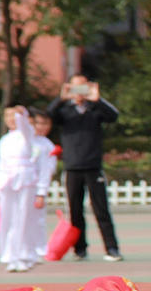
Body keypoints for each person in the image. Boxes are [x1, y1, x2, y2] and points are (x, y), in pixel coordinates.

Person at [47, 75, 122, 261]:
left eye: (82, 88)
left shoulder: (95, 110)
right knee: (75, 210)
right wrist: (61, 98)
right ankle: (79, 248)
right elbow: (48, 115)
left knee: (101, 209)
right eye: (75, 88)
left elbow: (114, 116)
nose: (79, 92)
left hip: (93, 167)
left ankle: (111, 248)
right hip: (72, 167)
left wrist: (98, 99)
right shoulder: (64, 112)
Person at [0, 105, 38, 272]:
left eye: (14, 116)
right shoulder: (3, 140)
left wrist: (23, 115)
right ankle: (9, 255)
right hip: (7, 180)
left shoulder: (27, 135)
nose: (11, 119)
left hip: (24, 179)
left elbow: (25, 128)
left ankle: (22, 255)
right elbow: (1, 163)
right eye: (8, 116)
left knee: (23, 218)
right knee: (7, 219)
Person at [29, 108, 59, 262]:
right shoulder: (24, 140)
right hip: (21, 186)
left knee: (38, 220)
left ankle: (40, 249)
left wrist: (41, 192)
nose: (42, 127)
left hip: (36, 188)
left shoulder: (47, 145)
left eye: (46, 123)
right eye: (39, 123)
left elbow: (47, 171)